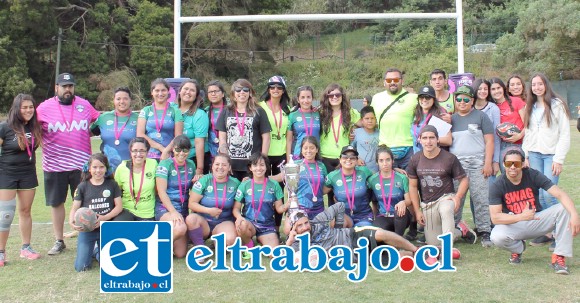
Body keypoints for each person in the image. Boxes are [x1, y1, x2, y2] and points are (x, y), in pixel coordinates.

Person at [37, 72, 100, 255]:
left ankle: (88, 238)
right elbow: (32, 126)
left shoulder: (84, 104)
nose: (67, 89)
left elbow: (98, 122)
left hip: (81, 165)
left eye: (70, 86)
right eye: (64, 86)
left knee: (85, 202)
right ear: (56, 87)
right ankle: (59, 240)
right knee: (57, 203)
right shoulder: (44, 107)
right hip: (54, 165)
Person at [489, 147, 579, 275]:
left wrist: (574, 215)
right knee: (496, 237)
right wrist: (521, 216)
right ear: (504, 164)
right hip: (514, 223)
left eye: (517, 163)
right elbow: (495, 218)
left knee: (563, 209)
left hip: (537, 220)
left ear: (523, 164)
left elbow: (560, 195)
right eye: (509, 163)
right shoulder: (497, 184)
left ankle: (559, 257)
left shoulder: (533, 174)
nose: (513, 167)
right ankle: (518, 248)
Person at [406, 125, 477, 248]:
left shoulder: (449, 158)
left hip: (446, 198)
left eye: (432, 138)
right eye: (425, 138)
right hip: (428, 204)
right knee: (433, 243)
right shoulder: (415, 159)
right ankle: (461, 230)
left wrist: (457, 197)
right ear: (420, 140)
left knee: (446, 209)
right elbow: (412, 187)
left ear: (438, 139)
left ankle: (447, 249)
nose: (428, 141)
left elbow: (464, 180)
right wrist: (417, 211)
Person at [522, 73, 571, 247]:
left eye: (540, 84)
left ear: (546, 85)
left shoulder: (556, 105)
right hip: (534, 154)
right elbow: (528, 132)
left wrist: (559, 159)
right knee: (539, 196)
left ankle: (561, 234)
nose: (537, 87)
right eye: (534, 85)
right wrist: (525, 154)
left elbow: (565, 134)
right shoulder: (531, 106)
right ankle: (548, 233)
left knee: (549, 195)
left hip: (551, 156)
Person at [0, 94, 43, 266]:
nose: (28, 110)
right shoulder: (4, 127)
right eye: (24, 107)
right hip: (6, 175)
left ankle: (26, 248)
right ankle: (1, 252)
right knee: (5, 215)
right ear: (17, 108)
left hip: (28, 174)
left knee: (25, 211)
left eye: (31, 107)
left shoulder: (35, 127)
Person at [449, 85, 495, 247]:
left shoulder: (481, 116)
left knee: (480, 198)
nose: (462, 102)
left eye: (466, 99)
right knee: (456, 198)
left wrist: (488, 163)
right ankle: (454, 228)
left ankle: (485, 231)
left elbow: (489, 141)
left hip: (478, 164)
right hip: (457, 166)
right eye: (458, 99)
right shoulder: (451, 119)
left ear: (472, 101)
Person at [286, 203, 418, 257]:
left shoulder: (318, 220)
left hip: (353, 235)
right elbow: (278, 255)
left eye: (305, 223)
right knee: (390, 257)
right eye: (299, 226)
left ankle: (415, 249)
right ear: (293, 228)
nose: (304, 227)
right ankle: (419, 254)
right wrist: (290, 241)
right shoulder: (296, 244)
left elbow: (340, 205)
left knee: (381, 234)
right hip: (351, 255)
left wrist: (337, 229)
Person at [69, 153, 122, 271]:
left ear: (106, 168)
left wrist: (104, 217)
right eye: (95, 167)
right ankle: (93, 250)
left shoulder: (112, 184)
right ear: (89, 168)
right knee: (81, 267)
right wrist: (72, 221)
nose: (98, 170)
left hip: (106, 228)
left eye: (101, 167)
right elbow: (74, 208)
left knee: (109, 265)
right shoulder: (82, 186)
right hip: (88, 230)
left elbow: (119, 207)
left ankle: (98, 251)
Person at [216, 79, 271, 181]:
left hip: (253, 165)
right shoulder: (226, 111)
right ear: (233, 94)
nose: (242, 92)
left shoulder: (259, 111)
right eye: (238, 90)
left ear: (250, 93)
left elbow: (266, 138)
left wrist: (261, 161)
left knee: (251, 195)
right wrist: (225, 162)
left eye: (245, 90)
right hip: (232, 165)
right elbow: (222, 138)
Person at [233, 153, 287, 248]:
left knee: (274, 252)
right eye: (255, 165)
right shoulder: (245, 184)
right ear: (250, 168)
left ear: (266, 167)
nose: (259, 168)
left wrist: (290, 203)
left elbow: (279, 209)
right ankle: (249, 245)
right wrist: (239, 218)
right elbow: (236, 208)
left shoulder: (274, 184)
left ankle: (262, 238)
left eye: (262, 165)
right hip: (249, 223)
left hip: (267, 225)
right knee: (241, 225)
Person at [186, 154, 240, 247]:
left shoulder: (235, 183)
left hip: (224, 221)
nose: (220, 167)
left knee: (230, 240)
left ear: (229, 167)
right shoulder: (204, 180)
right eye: (217, 164)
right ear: (212, 166)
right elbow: (191, 204)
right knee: (191, 219)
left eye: (224, 165)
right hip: (204, 222)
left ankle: (216, 241)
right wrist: (209, 211)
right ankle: (200, 247)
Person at [155, 135, 196, 258]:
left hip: (182, 210)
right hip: (166, 209)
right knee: (180, 229)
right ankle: (155, 247)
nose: (181, 153)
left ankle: (165, 235)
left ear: (189, 150)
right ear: (173, 149)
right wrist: (173, 212)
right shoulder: (165, 164)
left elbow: (191, 190)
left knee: (180, 254)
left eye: (185, 150)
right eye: (178, 150)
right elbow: (161, 192)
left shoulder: (191, 165)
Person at [370, 68, 417, 169]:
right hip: (385, 148)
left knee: (411, 182)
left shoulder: (414, 98)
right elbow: (368, 119)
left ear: (402, 81)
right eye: (389, 80)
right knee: (388, 183)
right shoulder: (376, 98)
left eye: (396, 80)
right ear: (384, 82)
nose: (392, 82)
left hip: (409, 147)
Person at [91, 87, 139, 173]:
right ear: (113, 100)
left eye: (125, 99)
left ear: (130, 100)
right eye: (118, 99)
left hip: (131, 168)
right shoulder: (103, 118)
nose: (122, 102)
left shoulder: (139, 118)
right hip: (106, 169)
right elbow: (89, 133)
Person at [324, 146, 374, 227]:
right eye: (345, 157)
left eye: (352, 157)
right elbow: (321, 192)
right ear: (340, 159)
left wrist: (394, 170)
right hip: (344, 215)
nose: (348, 159)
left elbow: (378, 178)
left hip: (363, 215)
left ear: (357, 160)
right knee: (338, 224)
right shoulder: (332, 176)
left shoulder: (364, 171)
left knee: (362, 237)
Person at [368, 145, 412, 237]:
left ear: (392, 161)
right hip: (383, 216)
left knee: (399, 211)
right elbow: (373, 201)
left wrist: (403, 202)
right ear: (377, 163)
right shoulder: (372, 180)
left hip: (401, 216)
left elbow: (409, 200)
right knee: (377, 237)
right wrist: (375, 217)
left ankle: (398, 243)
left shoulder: (402, 177)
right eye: (381, 160)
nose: (385, 163)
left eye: (388, 159)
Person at [137, 78, 184, 160]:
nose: (160, 93)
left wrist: (166, 151)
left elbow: (178, 136)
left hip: (169, 156)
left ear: (168, 92)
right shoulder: (146, 110)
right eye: (157, 90)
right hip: (149, 156)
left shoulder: (175, 111)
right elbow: (140, 134)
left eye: (163, 90)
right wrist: (161, 148)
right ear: (152, 92)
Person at [319, 83, 360, 176]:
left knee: (342, 188)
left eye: (337, 95)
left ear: (342, 96)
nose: (334, 97)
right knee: (327, 188)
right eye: (331, 95)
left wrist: (354, 129)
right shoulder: (320, 113)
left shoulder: (350, 112)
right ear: (327, 97)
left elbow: (366, 124)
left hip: (344, 157)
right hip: (324, 157)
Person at [114, 137, 158, 221]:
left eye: (142, 151)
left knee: (143, 233)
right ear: (130, 152)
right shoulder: (122, 168)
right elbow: (117, 192)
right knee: (118, 230)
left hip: (147, 212)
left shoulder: (153, 164)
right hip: (126, 210)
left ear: (147, 152)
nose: (138, 154)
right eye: (135, 151)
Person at [489, 77, 526, 174]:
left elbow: (529, 124)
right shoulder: (492, 107)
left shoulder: (516, 101)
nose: (496, 91)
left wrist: (519, 135)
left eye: (498, 88)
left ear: (504, 88)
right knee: (508, 176)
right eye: (493, 89)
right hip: (503, 146)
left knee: (522, 177)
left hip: (521, 144)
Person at [178, 79, 208, 179]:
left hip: (193, 158)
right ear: (179, 91)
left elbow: (199, 142)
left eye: (192, 90)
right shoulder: (171, 109)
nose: (188, 92)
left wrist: (199, 169)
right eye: (185, 89)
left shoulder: (200, 114)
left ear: (196, 95)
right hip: (175, 157)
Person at [472, 79, 501, 182]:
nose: (483, 91)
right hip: (473, 158)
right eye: (480, 88)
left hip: (488, 157)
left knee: (489, 193)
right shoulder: (468, 108)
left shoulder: (493, 109)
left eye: (485, 89)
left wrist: (495, 161)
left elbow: (496, 137)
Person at [411, 85, 452, 153]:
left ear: (433, 99)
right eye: (421, 97)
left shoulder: (440, 113)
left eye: (427, 97)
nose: (424, 100)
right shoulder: (416, 113)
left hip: (435, 156)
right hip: (418, 156)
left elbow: (448, 140)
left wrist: (428, 140)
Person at [286, 86, 321, 161]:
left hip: (315, 155)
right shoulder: (292, 115)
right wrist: (289, 160)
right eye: (302, 97)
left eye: (308, 97)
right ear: (298, 99)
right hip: (298, 155)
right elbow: (289, 140)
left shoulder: (318, 114)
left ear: (313, 98)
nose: (306, 100)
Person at [205, 80, 228, 168]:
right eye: (210, 92)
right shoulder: (206, 111)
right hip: (210, 151)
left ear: (222, 94)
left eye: (216, 91)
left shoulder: (230, 110)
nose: (213, 94)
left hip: (228, 150)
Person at [352, 106, 379, 173]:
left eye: (372, 118)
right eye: (367, 118)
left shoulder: (380, 133)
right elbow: (350, 148)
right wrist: (356, 158)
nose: (370, 121)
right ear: (362, 120)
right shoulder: (356, 133)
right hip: (360, 170)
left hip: (377, 171)